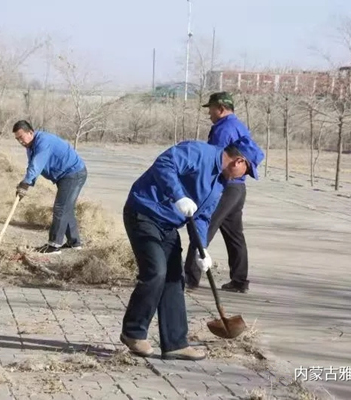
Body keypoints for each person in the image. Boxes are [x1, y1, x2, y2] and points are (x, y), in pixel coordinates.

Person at [120, 135, 264, 360]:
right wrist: (178, 196)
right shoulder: (198, 152)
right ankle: (133, 333)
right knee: (156, 272)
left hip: (168, 225)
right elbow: (164, 164)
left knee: (174, 279)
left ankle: (175, 344)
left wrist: (201, 248)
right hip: (144, 212)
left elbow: (203, 217)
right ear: (239, 161)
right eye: (247, 171)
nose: (244, 177)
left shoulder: (220, 183)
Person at [184, 91, 255, 293]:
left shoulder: (223, 129)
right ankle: (239, 281)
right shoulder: (238, 125)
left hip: (225, 186)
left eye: (212, 109)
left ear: (221, 109)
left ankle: (189, 278)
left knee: (203, 227)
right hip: (238, 188)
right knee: (235, 235)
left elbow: (215, 160)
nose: (209, 114)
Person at [13, 120, 88, 254]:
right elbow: (33, 167)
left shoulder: (43, 141)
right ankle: (74, 243)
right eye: (17, 139)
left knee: (60, 207)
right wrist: (26, 185)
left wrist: (26, 182)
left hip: (73, 173)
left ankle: (54, 245)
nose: (20, 141)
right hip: (63, 176)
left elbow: (36, 164)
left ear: (30, 133)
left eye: (21, 137)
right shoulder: (30, 147)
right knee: (66, 208)